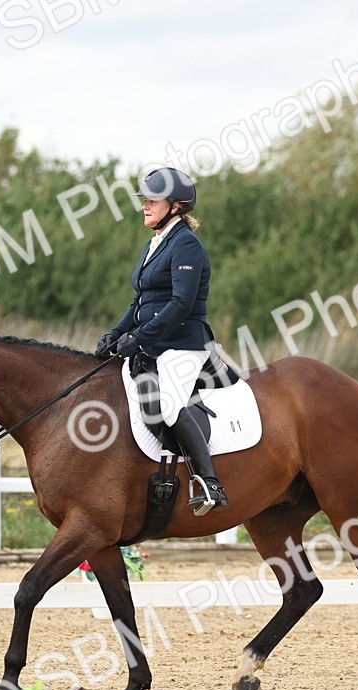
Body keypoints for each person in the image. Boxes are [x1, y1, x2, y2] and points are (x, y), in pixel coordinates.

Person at [95, 167, 228, 515]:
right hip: (155, 343)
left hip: (184, 344)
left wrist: (139, 337)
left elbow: (180, 305)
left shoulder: (186, 245)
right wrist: (117, 333)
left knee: (168, 404)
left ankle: (210, 483)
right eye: (145, 199)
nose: (145, 205)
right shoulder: (155, 242)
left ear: (175, 206)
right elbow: (139, 301)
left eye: (152, 200)